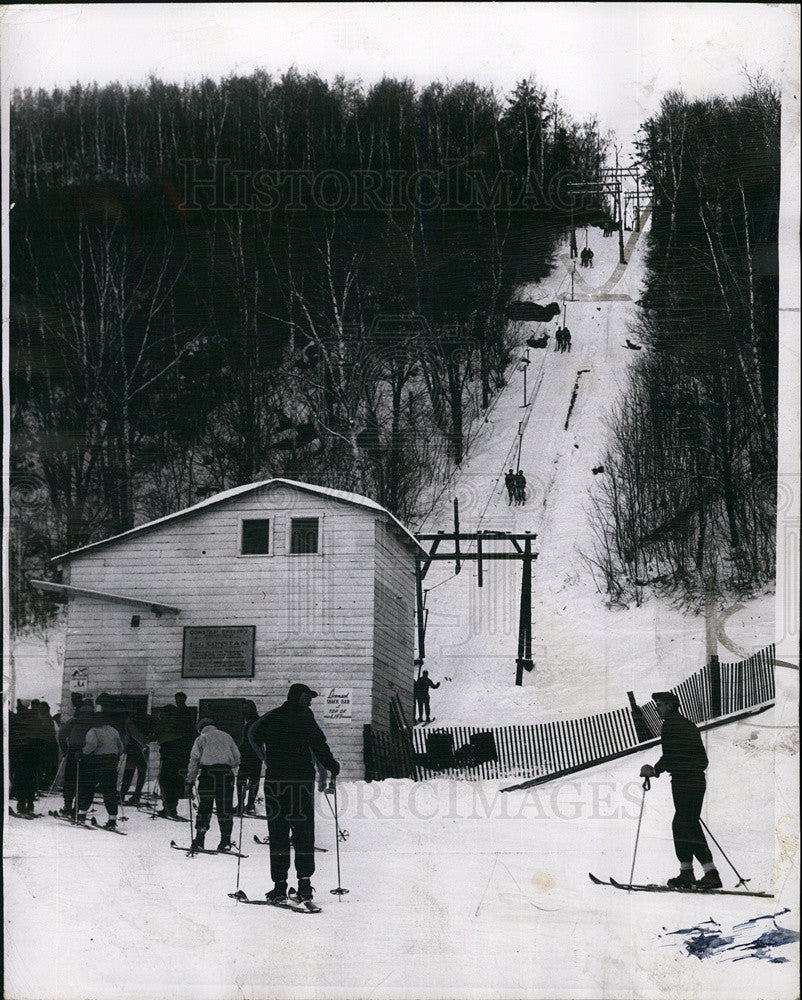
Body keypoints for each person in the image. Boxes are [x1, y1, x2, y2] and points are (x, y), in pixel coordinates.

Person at [248, 684, 340, 904]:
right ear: (297, 697)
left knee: (278, 833)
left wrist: (265, 758)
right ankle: (304, 885)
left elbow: (252, 735)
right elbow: (319, 744)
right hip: (299, 782)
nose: (310, 702)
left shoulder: (272, 716)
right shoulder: (305, 717)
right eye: (307, 698)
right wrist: (331, 765)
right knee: (303, 832)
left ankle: (280, 886)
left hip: (276, 782)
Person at [640, 691, 721, 889]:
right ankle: (694, 872)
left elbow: (670, 755)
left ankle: (704, 873)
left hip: (685, 781)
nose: (657, 709)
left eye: (659, 705)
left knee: (684, 823)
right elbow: (698, 758)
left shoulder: (670, 725)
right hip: (693, 780)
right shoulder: (687, 724)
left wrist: (654, 770)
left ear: (669, 705)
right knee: (685, 823)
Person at [185, 718, 241, 852]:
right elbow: (237, 756)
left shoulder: (201, 738)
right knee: (225, 807)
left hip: (208, 774)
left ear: (201, 728)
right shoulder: (227, 736)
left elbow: (194, 760)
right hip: (226, 774)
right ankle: (225, 840)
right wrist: (229, 767)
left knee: (205, 806)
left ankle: (199, 839)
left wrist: (190, 781)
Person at [77, 717, 125, 828]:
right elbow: (121, 748)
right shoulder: (113, 730)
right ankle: (112, 819)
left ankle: (82, 815)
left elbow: (91, 745)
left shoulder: (93, 731)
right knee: (110, 790)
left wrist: (82, 753)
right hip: (112, 762)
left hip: (97, 762)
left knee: (88, 788)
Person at [57, 701, 97, 817]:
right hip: (90, 753)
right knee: (87, 781)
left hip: (73, 752)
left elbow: (61, 734)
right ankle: (80, 807)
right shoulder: (95, 722)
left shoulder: (73, 721)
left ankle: (68, 805)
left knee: (70, 779)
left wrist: (65, 750)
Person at [236, 703, 262, 815]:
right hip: (251, 755)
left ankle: (248, 805)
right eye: (243, 708)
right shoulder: (250, 722)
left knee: (248, 779)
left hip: (252, 755)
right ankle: (245, 805)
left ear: (253, 709)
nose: (244, 710)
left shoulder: (255, 722)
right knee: (250, 779)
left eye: (246, 708)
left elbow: (250, 740)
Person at [120, 713, 150, 806]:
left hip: (133, 749)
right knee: (141, 771)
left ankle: (123, 795)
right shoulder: (144, 721)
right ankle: (135, 795)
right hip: (141, 749)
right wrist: (145, 744)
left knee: (129, 772)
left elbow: (133, 735)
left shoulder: (130, 722)